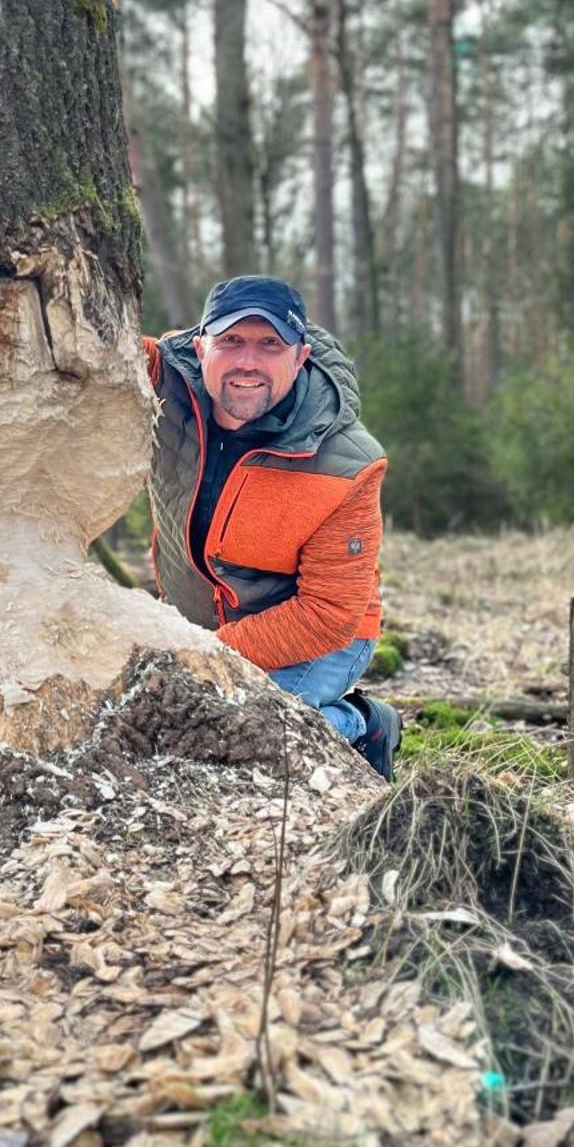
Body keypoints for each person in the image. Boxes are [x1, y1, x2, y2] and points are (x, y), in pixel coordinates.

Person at [142, 274, 401, 779]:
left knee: (234, 733)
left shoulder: (347, 463)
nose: (248, 362)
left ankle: (360, 724)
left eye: (270, 345)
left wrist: (212, 656)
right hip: (199, 626)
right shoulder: (165, 389)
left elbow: (328, 614)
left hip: (318, 639)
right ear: (201, 348)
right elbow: (94, 348)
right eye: (232, 341)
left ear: (300, 357)